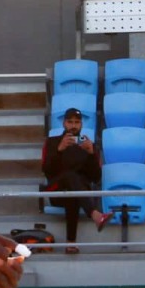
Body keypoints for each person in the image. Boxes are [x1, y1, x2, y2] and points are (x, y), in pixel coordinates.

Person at [42, 107, 112, 254]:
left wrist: (91, 154)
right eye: (70, 122)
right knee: (70, 176)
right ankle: (95, 214)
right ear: (63, 123)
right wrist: (59, 151)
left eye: (77, 122)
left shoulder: (88, 145)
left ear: (81, 125)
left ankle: (71, 243)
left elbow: (96, 177)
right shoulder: (52, 142)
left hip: (79, 193)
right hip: (56, 190)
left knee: (73, 193)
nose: (73, 126)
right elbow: (47, 170)